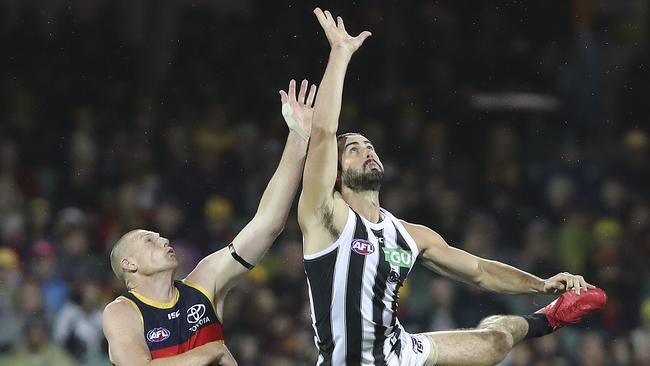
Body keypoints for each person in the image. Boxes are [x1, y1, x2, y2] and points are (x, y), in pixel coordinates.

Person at [298, 8, 607, 366]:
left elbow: (479, 271)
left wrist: (541, 284)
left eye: (370, 146)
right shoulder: (326, 217)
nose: (367, 152)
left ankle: (548, 315)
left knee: (494, 343)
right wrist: (339, 54)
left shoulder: (411, 236)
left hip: (397, 353)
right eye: (353, 150)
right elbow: (323, 134)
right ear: (334, 174)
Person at [102, 79, 317, 366]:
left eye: (160, 236)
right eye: (149, 240)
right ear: (129, 264)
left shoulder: (203, 283)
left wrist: (299, 136)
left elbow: (267, 224)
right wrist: (211, 351)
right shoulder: (122, 312)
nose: (163, 240)